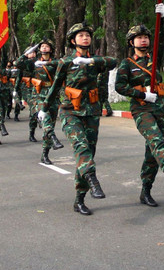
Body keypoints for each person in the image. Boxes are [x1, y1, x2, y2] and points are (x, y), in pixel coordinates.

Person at [40, 23, 117, 215]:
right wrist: (44, 108)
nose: (85, 38)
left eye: (87, 35)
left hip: (91, 112)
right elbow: (55, 85)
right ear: (73, 41)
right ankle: (92, 179)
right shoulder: (65, 62)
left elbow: (113, 61)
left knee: (88, 153)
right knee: (81, 147)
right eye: (80, 35)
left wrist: (88, 62)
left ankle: (79, 200)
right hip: (69, 112)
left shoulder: (95, 61)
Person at [116, 21, 164, 207]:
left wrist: (162, 17)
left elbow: (162, 36)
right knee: (157, 141)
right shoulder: (127, 64)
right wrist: (141, 94)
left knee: (152, 152)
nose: (143, 40)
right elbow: (120, 86)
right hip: (141, 109)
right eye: (139, 38)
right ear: (131, 42)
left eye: (146, 37)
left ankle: (146, 191)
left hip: (158, 108)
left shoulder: (155, 57)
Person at [31, 39, 63, 163]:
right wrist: (29, 52)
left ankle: (45, 154)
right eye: (42, 46)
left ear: (51, 48)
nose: (44, 48)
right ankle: (54, 137)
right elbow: (18, 63)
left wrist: (46, 64)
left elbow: (60, 66)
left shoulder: (55, 62)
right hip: (39, 96)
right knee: (47, 121)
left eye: (47, 46)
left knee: (50, 124)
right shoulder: (33, 62)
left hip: (53, 96)